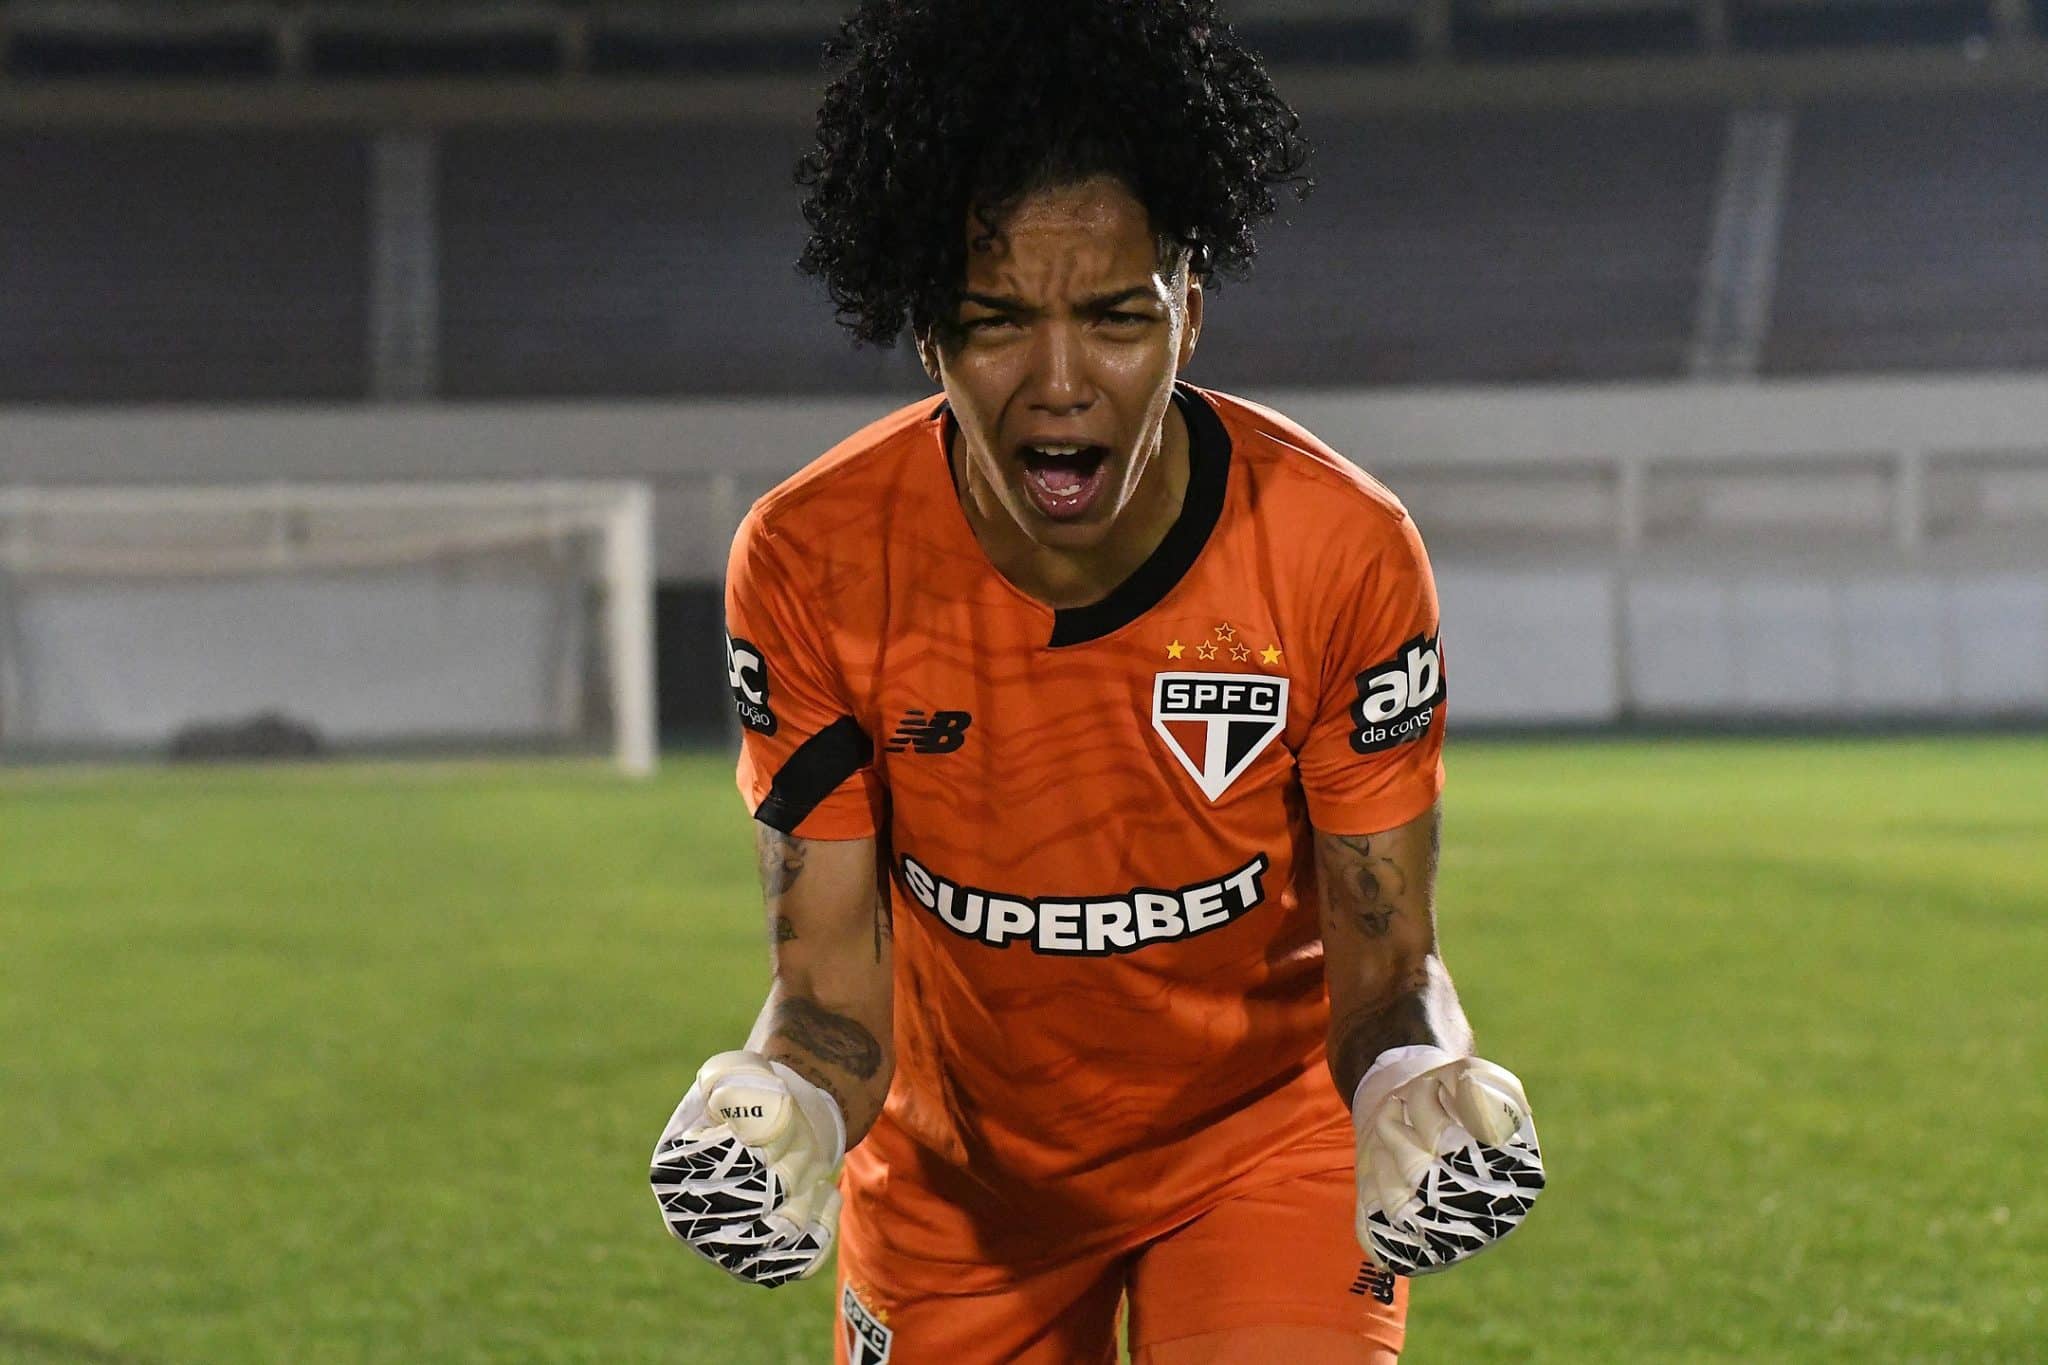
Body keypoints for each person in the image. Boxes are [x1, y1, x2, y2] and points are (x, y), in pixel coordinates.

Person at [650, 3, 1545, 1361]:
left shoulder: (1338, 550)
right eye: (996, 321)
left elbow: (1387, 959)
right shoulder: (811, 557)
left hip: (1261, 1157)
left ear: (1190, 311)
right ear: (926, 331)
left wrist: (1418, 1077)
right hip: (961, 1190)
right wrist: (782, 1100)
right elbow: (827, 983)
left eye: (1117, 317)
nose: (1059, 382)